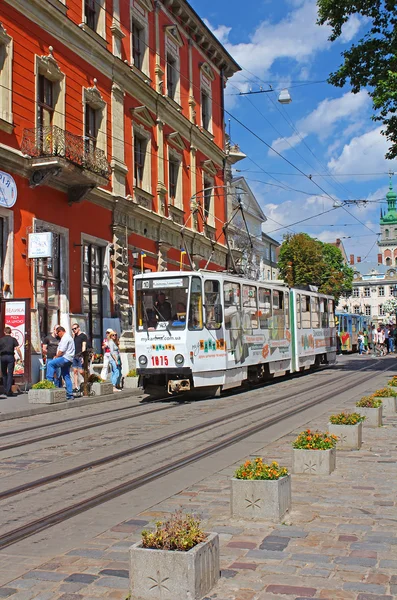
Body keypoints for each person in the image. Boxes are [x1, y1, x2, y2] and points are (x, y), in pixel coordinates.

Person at [46, 326, 75, 399]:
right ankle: (70, 394)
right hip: (70, 359)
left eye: (58, 333)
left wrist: (56, 356)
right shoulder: (68, 337)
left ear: (61, 331)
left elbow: (62, 350)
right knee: (66, 375)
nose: (57, 335)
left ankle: (49, 381)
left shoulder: (65, 338)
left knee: (50, 364)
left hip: (65, 358)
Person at [0, 327, 22, 397]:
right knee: (10, 373)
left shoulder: (1, 340)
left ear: (4, 332)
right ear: (11, 332)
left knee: (4, 373)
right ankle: (8, 391)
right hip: (10, 357)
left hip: (3, 357)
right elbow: (17, 349)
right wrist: (21, 357)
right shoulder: (13, 339)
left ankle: (5, 389)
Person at [71, 322, 88, 392]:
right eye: (72, 329)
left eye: (75, 328)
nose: (74, 330)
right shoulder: (74, 336)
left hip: (80, 355)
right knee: (75, 371)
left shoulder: (83, 336)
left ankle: (87, 379)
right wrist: (73, 336)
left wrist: (83, 356)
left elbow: (83, 346)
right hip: (74, 355)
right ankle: (76, 386)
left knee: (81, 371)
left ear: (78, 328)